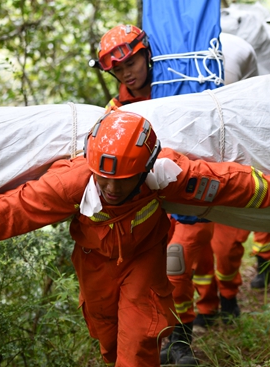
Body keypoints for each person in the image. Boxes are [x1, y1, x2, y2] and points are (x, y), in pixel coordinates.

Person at [0, 110, 270, 367]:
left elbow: (229, 183)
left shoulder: (167, 173)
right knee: (106, 336)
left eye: (123, 181)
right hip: (94, 264)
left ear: (144, 169)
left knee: (137, 342)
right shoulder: (72, 182)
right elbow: (11, 212)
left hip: (145, 260)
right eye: (104, 179)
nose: (111, 190)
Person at [96, 24, 217, 364]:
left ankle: (182, 341)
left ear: (146, 55)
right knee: (159, 274)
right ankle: (168, 339)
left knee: (179, 260)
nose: (126, 74)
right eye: (118, 70)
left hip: (186, 188)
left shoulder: (179, 84)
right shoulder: (116, 108)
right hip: (146, 202)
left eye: (130, 64)